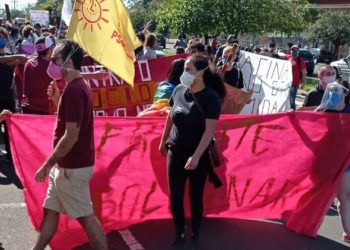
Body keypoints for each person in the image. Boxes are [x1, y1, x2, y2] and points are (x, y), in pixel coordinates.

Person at [32, 39, 108, 250]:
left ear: (69, 62)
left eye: (55, 58)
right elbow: (70, 122)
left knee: (86, 218)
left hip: (72, 168)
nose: (50, 62)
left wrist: (47, 164)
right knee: (50, 211)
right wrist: (58, 101)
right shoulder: (74, 88)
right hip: (65, 167)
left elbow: (71, 135)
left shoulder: (75, 90)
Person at [159, 54, 226, 248]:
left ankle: (195, 234)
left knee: (195, 196)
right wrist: (164, 141)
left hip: (198, 155)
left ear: (202, 73)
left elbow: (209, 131)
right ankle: (179, 233)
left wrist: (196, 157)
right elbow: (170, 117)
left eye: (189, 69)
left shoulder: (211, 98)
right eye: (184, 69)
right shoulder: (179, 90)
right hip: (175, 150)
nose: (184, 73)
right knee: (175, 196)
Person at [314, 81, 350, 243]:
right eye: (331, 90)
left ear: (345, 93)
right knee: (316, 195)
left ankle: (347, 231)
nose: (333, 93)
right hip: (325, 161)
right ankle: (305, 221)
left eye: (337, 91)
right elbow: (309, 126)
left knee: (345, 197)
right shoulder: (323, 111)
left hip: (346, 162)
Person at [22, 35, 56, 114]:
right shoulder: (51, 67)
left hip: (27, 108)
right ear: (50, 50)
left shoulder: (28, 63)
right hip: (43, 111)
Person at [288, 45, 306, 110]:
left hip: (294, 83)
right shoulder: (288, 58)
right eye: (293, 50)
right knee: (286, 99)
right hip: (286, 83)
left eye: (296, 50)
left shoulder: (300, 61)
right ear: (291, 50)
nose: (294, 51)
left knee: (291, 100)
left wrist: (303, 83)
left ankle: (293, 113)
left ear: (298, 51)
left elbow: (304, 73)